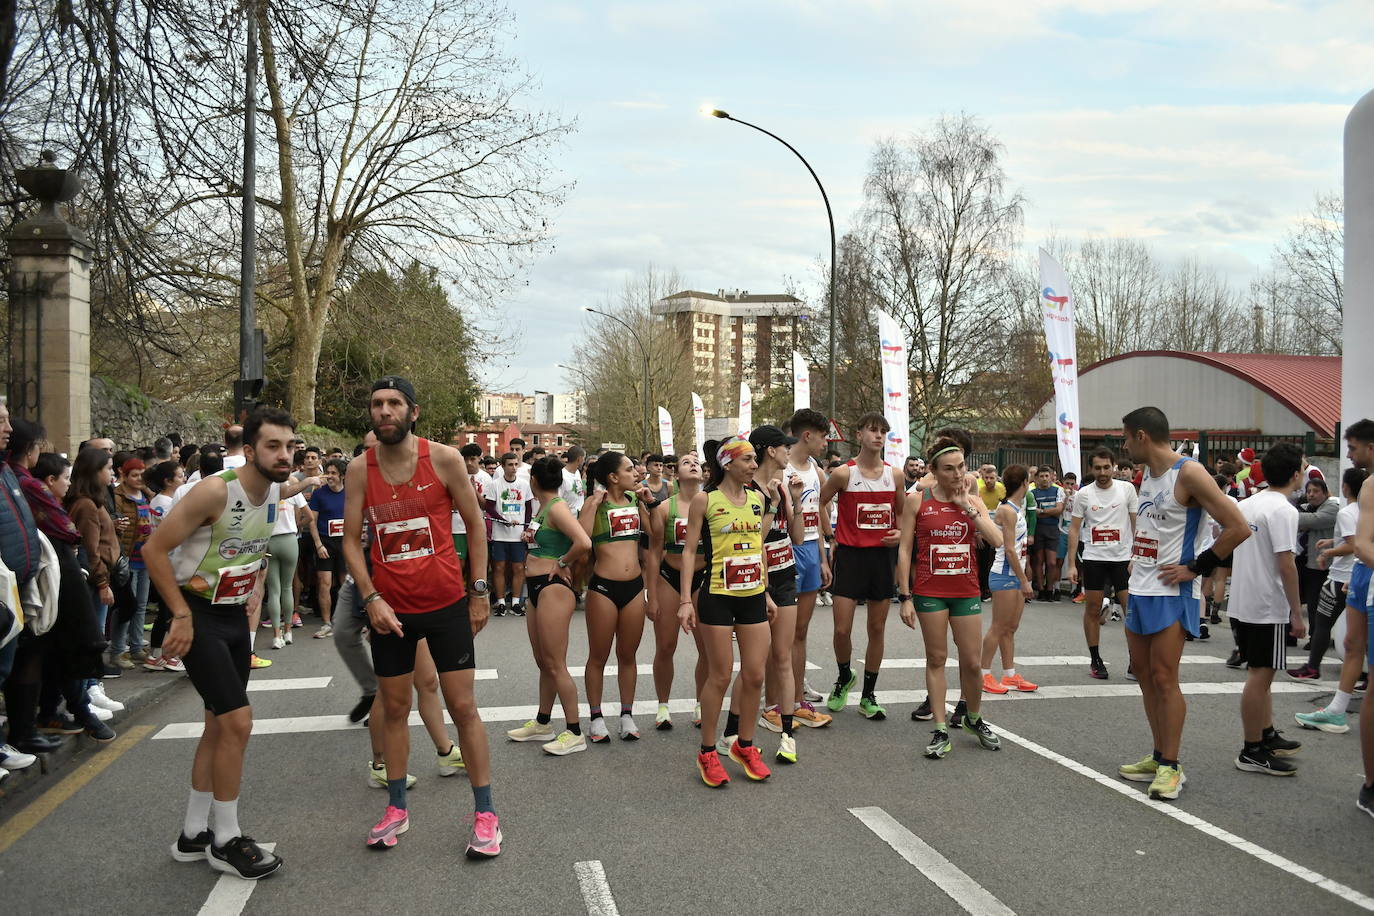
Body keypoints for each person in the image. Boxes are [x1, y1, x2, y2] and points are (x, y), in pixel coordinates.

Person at [342, 376, 500, 857]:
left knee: (464, 708)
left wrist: (479, 591)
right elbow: (351, 540)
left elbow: (475, 525)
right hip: (391, 611)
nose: (384, 411)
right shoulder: (358, 470)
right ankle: (395, 808)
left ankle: (486, 813)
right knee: (393, 709)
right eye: (377, 404)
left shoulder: (444, 459)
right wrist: (370, 598)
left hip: (447, 604)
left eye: (394, 404)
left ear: (413, 412)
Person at [143, 408, 294, 880]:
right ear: (249, 450)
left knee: (217, 725)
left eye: (290, 445)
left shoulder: (273, 490)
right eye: (273, 446)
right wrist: (181, 615)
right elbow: (153, 550)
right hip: (199, 616)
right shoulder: (214, 490)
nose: (284, 454)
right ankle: (226, 840)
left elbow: (258, 538)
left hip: (231, 617)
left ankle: (193, 834)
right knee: (238, 724)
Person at [1117, 407, 1249, 801]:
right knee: (1142, 673)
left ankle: (1172, 767)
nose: (1123, 446)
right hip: (1140, 586)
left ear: (1141, 436)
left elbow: (1238, 526)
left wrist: (1196, 566)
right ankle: (1159, 756)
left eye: (1125, 438)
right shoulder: (1146, 476)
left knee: (1163, 676)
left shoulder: (1188, 472)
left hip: (1172, 591)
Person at [897, 437, 1003, 758]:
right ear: (933, 472)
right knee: (937, 659)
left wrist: (967, 508)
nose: (957, 474)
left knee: (972, 662)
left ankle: (973, 717)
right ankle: (941, 728)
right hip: (930, 591)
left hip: (966, 591)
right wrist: (904, 595)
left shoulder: (973, 501)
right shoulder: (918, 501)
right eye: (949, 469)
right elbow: (904, 550)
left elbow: (996, 539)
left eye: (961, 467)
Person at [678, 437, 773, 786]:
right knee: (719, 675)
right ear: (728, 463)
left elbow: (759, 547)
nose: (753, 464)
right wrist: (686, 600)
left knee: (755, 675)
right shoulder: (706, 499)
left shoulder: (757, 499)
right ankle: (707, 751)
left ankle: (744, 745)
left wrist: (766, 592)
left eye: (754, 459)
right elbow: (690, 551)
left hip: (752, 594)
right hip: (716, 594)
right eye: (747, 459)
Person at [1227, 442, 1306, 776]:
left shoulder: (1249, 503)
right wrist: (1297, 613)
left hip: (1243, 600)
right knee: (1260, 676)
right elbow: (1286, 565)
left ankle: (1267, 733)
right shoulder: (1284, 510)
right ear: (1294, 474)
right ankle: (1252, 749)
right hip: (1266, 604)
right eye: (1303, 467)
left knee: (1262, 673)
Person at [818, 413, 902, 719]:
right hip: (851, 557)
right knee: (842, 628)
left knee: (876, 628)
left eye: (883, 432)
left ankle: (868, 694)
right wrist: (831, 535)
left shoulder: (895, 475)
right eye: (873, 430)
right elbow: (819, 503)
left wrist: (902, 532)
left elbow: (903, 515)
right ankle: (844, 677)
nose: (878, 436)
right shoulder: (843, 473)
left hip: (881, 558)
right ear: (859, 434)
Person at [506, 456, 591, 756]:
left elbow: (583, 541)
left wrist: (562, 562)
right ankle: (543, 721)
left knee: (556, 664)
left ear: (533, 481)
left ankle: (575, 730)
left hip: (553, 589)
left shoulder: (556, 508)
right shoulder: (542, 509)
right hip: (536, 588)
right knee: (544, 661)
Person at [579, 451, 652, 741]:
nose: (636, 473)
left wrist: (650, 503)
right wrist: (590, 507)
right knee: (598, 656)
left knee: (628, 655)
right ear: (613, 477)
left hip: (634, 587)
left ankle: (627, 715)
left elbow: (655, 534)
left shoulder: (636, 500)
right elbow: (582, 541)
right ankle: (596, 717)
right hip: (604, 589)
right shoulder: (595, 503)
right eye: (630, 469)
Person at [745, 426, 805, 763]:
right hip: (755, 580)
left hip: (785, 576)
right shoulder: (749, 490)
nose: (788, 452)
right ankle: (737, 733)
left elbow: (796, 537)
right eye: (785, 447)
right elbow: (756, 538)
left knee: (783, 656)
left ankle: (787, 733)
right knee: (753, 667)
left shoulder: (782, 487)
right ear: (770, 450)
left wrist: (793, 501)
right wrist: (771, 502)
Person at [1066, 448, 1139, 679]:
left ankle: (1134, 659)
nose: (1103, 472)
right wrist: (1070, 565)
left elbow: (1137, 524)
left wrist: (1137, 555)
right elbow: (1074, 529)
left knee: (1131, 609)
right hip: (1094, 558)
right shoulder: (1084, 494)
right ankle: (1095, 659)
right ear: (1091, 469)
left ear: (1114, 466)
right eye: (1097, 468)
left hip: (1123, 559)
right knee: (1093, 609)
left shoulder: (1127, 489)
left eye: (1107, 467)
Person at [647, 453, 707, 731]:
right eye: (686, 462)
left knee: (706, 648)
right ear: (676, 473)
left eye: (697, 462)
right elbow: (654, 553)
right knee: (666, 646)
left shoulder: (712, 503)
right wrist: (652, 595)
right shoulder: (663, 508)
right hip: (670, 578)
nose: (693, 464)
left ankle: (701, 703)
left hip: (703, 577)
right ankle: (663, 706)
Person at [782, 409, 834, 724]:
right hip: (786, 550)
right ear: (807, 435)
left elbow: (819, 511)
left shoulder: (816, 469)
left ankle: (798, 696)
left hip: (812, 550)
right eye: (824, 437)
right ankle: (777, 698)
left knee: (800, 631)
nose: (826, 443)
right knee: (783, 634)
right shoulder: (781, 469)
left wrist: (825, 556)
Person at [1291, 467, 1365, 690]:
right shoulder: (1365, 511)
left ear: (1345, 487)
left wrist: (1328, 553)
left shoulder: (1345, 512)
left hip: (1341, 576)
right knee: (1360, 629)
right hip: (1359, 576)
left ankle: (1313, 669)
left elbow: (1354, 545)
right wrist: (1332, 542)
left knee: (1322, 623)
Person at [979, 465, 1036, 695]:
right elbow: (1009, 550)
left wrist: (1023, 574)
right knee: (999, 626)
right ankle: (983, 674)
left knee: (1011, 628)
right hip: (1004, 575)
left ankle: (1010, 674)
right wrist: (1024, 580)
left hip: (1015, 574)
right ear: (1024, 482)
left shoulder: (1016, 508)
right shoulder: (1008, 511)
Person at [483, 452, 533, 617]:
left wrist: (526, 529)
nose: (513, 468)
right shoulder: (495, 484)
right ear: (502, 466)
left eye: (515, 464)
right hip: (499, 535)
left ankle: (517, 602)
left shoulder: (524, 484)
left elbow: (528, 509)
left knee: (518, 567)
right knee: (499, 568)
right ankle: (501, 602)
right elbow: (489, 508)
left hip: (518, 535)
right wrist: (503, 520)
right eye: (509, 464)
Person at [307, 458, 349, 638]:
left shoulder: (350, 493)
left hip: (346, 543)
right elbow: (312, 521)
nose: (329, 476)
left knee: (345, 583)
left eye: (333, 473)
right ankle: (326, 623)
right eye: (328, 473)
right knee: (324, 583)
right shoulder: (319, 493)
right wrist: (318, 544)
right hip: (325, 542)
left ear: (342, 476)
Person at [1028, 466, 1066, 601]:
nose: (1044, 479)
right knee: (1038, 560)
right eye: (1041, 476)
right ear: (1037, 478)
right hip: (1038, 529)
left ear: (1051, 476)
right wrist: (1048, 511)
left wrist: (1043, 512)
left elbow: (1059, 510)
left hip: (1053, 529)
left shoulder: (1058, 490)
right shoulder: (1032, 492)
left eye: (1046, 476)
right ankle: (1041, 589)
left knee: (1051, 562)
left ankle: (1050, 589)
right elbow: (1033, 513)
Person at [976, 464, 1006, 601]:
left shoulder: (1002, 490)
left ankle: (996, 589)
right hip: (983, 530)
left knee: (996, 561)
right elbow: (975, 512)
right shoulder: (980, 491)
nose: (989, 481)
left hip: (999, 531)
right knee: (983, 562)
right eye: (986, 478)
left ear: (996, 478)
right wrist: (977, 533)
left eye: (992, 478)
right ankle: (983, 589)